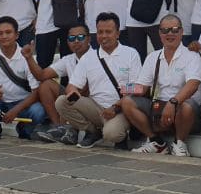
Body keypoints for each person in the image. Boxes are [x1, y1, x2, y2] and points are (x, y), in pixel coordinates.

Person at [121, 13, 201, 156]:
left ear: (182, 32)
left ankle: (180, 144)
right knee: (127, 102)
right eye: (165, 30)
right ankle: (156, 142)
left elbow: (193, 85)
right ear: (159, 33)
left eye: (175, 29)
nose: (170, 34)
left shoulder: (192, 56)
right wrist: (123, 87)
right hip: (159, 109)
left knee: (187, 106)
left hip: (184, 112)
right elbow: (142, 87)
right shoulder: (153, 57)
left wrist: (173, 103)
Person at [56, 12, 139, 148]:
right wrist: (72, 92)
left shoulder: (130, 54)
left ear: (117, 33)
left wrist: (116, 107)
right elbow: (73, 85)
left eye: (108, 32)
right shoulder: (89, 57)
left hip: (120, 108)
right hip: (95, 108)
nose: (104, 36)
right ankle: (93, 131)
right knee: (62, 102)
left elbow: (136, 88)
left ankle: (119, 134)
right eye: (100, 32)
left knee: (112, 134)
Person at [25, 20, 93, 144]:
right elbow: (41, 75)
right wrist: (29, 58)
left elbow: (87, 88)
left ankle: (72, 128)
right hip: (73, 96)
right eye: (72, 38)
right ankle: (59, 127)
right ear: (67, 42)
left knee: (70, 97)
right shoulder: (69, 59)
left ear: (89, 39)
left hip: (93, 100)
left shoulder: (97, 56)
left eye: (81, 37)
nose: (76, 41)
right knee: (46, 85)